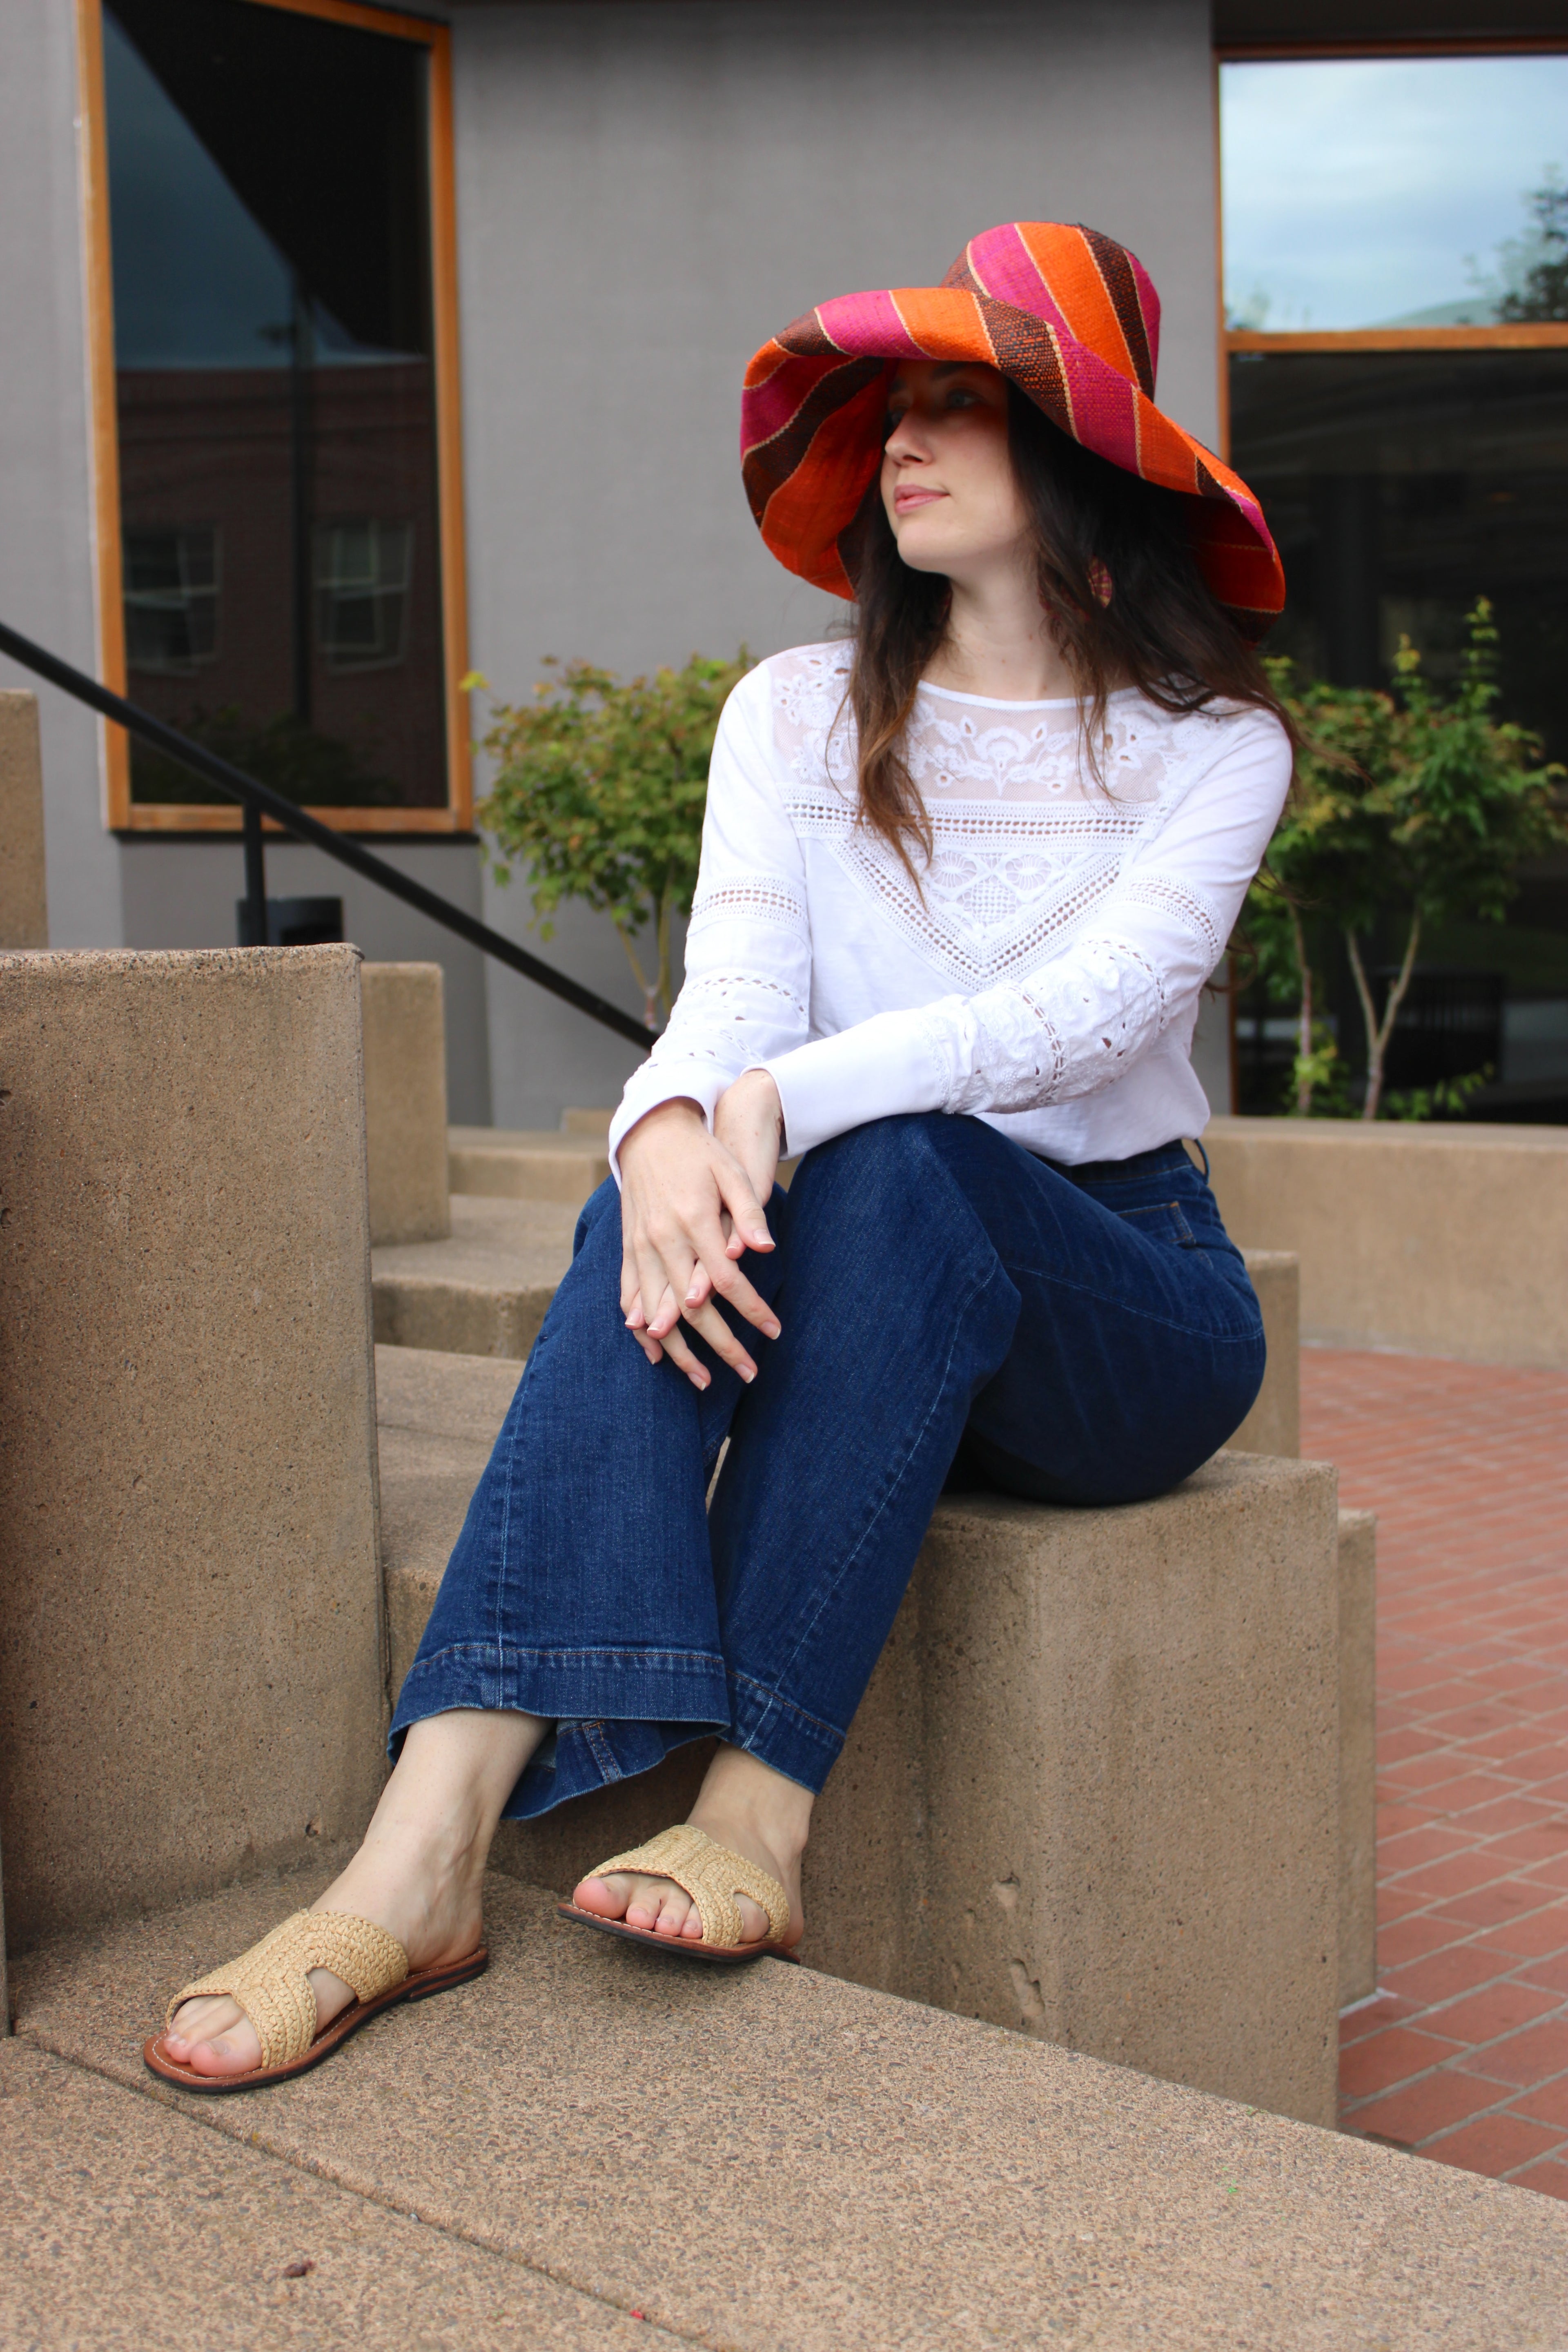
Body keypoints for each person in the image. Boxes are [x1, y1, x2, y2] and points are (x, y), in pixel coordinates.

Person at [145, 220, 1294, 2090]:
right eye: (886, 410)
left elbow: (1077, 1026)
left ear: (1080, 452)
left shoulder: (1212, 746)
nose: (902, 442)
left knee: (898, 1159)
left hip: (1124, 1305)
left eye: (957, 407)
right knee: (664, 1187)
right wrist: (674, 1118)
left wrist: (781, 1104)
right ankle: (423, 1850)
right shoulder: (796, 712)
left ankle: (760, 1811)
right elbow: (735, 988)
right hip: (868, 1265)